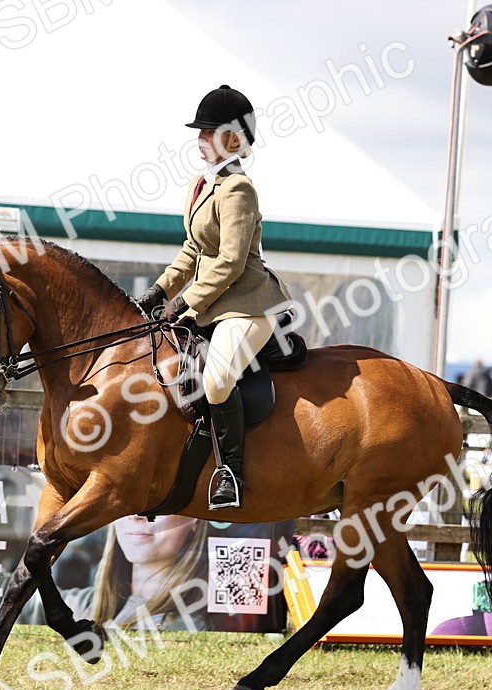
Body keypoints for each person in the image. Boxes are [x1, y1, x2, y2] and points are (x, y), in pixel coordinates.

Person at [134, 85, 293, 510]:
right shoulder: (200, 185)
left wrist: (185, 304)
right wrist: (158, 292)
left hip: (247, 304)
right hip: (211, 304)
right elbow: (192, 251)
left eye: (209, 131)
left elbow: (231, 262)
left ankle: (231, 474)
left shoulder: (239, 188)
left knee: (217, 378)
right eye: (200, 131)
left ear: (234, 139)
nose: (200, 138)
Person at [21, 514, 209, 631]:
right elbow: (3, 596)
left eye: (159, 504)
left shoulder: (187, 626)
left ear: (195, 518)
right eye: (127, 501)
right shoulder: (85, 604)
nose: (137, 515)